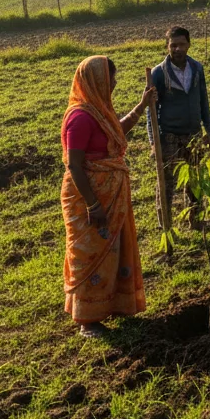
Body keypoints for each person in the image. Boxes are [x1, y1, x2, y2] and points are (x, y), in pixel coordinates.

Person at [61, 56, 154, 338]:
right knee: (89, 255)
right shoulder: (79, 118)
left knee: (114, 250)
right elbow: (74, 165)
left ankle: (111, 305)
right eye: (110, 78)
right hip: (89, 199)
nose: (114, 83)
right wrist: (92, 203)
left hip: (112, 195)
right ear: (97, 80)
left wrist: (142, 105)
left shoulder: (99, 112)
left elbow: (117, 132)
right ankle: (86, 320)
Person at [146, 26, 210, 228]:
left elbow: (203, 99)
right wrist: (153, 141)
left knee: (195, 179)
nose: (177, 49)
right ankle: (166, 226)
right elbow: (151, 110)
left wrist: (208, 130)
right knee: (166, 184)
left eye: (181, 44)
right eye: (173, 45)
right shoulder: (158, 73)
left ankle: (196, 220)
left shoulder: (197, 69)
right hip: (169, 136)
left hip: (193, 133)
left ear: (189, 45)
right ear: (167, 46)